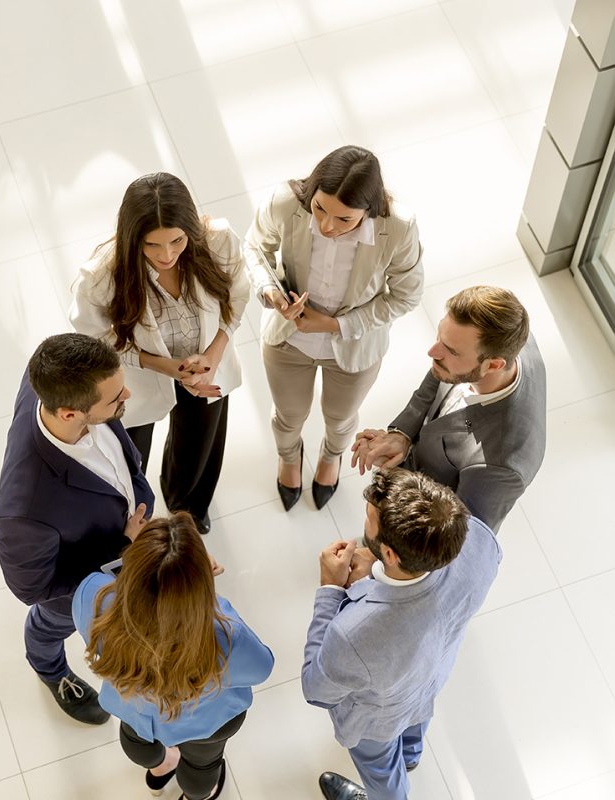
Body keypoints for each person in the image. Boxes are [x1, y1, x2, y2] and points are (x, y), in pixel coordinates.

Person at [302, 468, 501, 800]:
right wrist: (379, 572)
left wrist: (330, 590)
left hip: (378, 719)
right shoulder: (479, 541)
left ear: (391, 555)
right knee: (416, 718)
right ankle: (411, 754)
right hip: (430, 678)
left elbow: (316, 690)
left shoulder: (353, 633)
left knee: (382, 772)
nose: (363, 526)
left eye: (368, 521)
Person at [244, 145, 423, 511]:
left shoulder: (399, 227)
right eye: (320, 209)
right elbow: (254, 247)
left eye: (345, 220)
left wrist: (335, 324)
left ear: (369, 211)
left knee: (340, 418)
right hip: (288, 340)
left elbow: (406, 295)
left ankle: (331, 457)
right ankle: (289, 457)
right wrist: (270, 292)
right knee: (289, 414)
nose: (327, 226)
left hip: (355, 347)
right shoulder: (284, 201)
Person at [69, 172, 250, 535]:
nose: (166, 255)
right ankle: (135, 519)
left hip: (206, 368)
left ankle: (188, 507)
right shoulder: (100, 276)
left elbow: (238, 295)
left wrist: (213, 355)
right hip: (139, 378)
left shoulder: (218, 240)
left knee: (199, 447)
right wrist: (163, 365)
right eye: (151, 245)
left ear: (191, 231)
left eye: (177, 241)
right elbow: (98, 339)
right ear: (131, 237)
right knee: (129, 457)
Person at [0, 333, 154, 725]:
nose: (127, 396)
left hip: (123, 534)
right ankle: (50, 670)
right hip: (79, 592)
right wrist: (121, 547)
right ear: (68, 414)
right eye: (115, 399)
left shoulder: (48, 381)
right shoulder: (25, 512)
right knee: (49, 626)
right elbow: (32, 588)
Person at [73, 513, 274, 800]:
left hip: (132, 705)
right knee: (202, 766)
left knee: (135, 739)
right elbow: (262, 668)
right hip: (205, 722)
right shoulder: (224, 635)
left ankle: (160, 766)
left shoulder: (92, 595)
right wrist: (207, 602)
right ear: (199, 585)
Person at [351, 285, 546, 533]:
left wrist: (396, 478)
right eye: (440, 338)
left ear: (494, 365)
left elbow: (454, 534)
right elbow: (440, 373)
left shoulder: (501, 465)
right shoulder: (509, 334)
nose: (432, 352)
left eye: (450, 350)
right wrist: (402, 435)